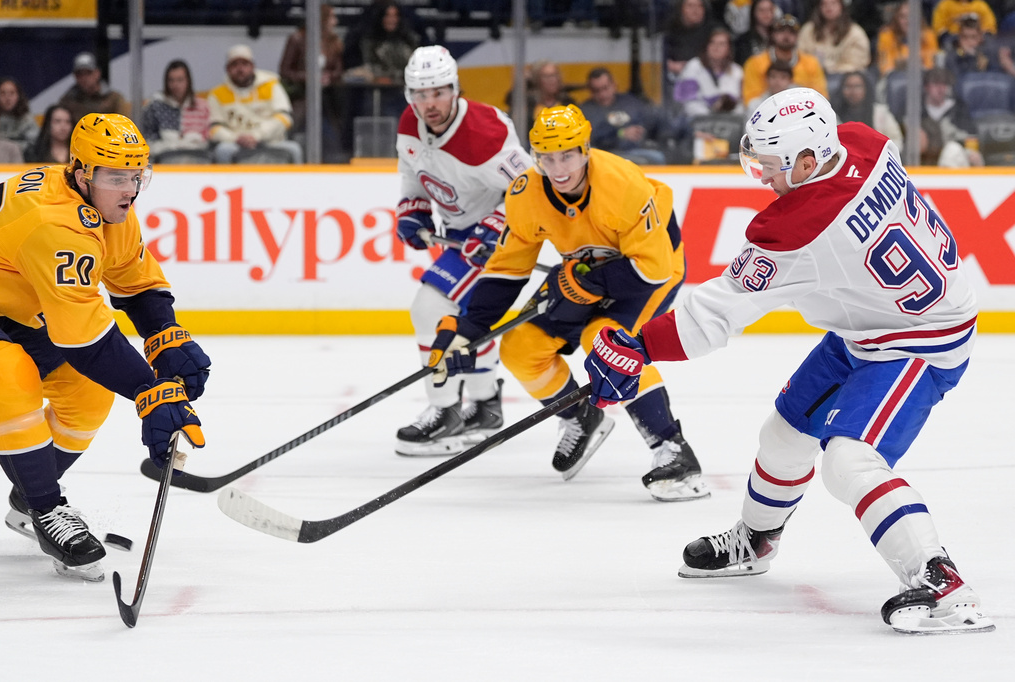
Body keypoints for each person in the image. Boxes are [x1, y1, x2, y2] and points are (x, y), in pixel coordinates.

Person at [585, 87, 994, 634]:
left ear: (808, 160)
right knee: (783, 436)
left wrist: (639, 349)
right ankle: (755, 540)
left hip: (919, 339)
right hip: (869, 324)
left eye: (772, 166)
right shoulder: (860, 142)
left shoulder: (799, 228)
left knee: (849, 461)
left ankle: (940, 582)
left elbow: (713, 316)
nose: (763, 178)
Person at [426, 104, 708, 502]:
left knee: (606, 342)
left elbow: (653, 269)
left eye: (567, 155)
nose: (558, 168)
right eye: (546, 157)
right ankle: (581, 416)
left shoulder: (622, 184)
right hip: (584, 272)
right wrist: (466, 329)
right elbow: (507, 269)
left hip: (649, 271)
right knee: (521, 348)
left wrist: (588, 283)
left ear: (586, 149)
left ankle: (675, 452)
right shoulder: (525, 193)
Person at [0, 113, 208, 581]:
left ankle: (29, 495)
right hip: (5, 316)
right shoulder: (53, 223)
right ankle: (46, 509)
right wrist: (152, 393)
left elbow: (133, 281)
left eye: (137, 176)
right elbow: (84, 338)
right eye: (116, 177)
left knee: (88, 394)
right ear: (81, 172)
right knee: (8, 373)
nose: (129, 189)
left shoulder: (106, 206)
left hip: (12, 311)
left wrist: (166, 338)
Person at [392, 46, 532, 456]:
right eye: (419, 94)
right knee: (467, 321)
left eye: (437, 92)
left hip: (504, 236)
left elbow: (530, 190)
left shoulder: (485, 133)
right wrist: (413, 209)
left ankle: (445, 410)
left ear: (454, 89)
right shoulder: (409, 123)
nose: (428, 104)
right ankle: (486, 405)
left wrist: (495, 225)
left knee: (428, 310)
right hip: (460, 234)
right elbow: (412, 171)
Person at [208, 45, 303, 164]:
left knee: (295, 149)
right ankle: (227, 182)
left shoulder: (271, 85)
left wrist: (258, 135)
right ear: (227, 69)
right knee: (222, 151)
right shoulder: (217, 94)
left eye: (244, 64)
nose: (240, 69)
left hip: (271, 142)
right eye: (235, 65)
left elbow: (285, 118)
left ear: (253, 66)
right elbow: (213, 128)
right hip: (235, 143)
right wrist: (235, 138)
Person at [279, 4, 347, 162]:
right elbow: (285, 71)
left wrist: (329, 76)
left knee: (330, 138)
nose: (335, 22)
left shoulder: (334, 41)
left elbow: (339, 69)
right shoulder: (297, 38)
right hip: (302, 98)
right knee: (302, 136)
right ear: (322, 19)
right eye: (332, 17)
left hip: (328, 100)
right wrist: (309, 78)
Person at [579, 66, 673, 165]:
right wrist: (620, 133)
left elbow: (650, 122)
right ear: (590, 90)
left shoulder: (630, 103)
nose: (602, 94)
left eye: (605, 88)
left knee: (658, 157)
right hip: (604, 154)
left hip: (634, 150)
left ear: (614, 85)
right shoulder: (585, 111)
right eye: (596, 90)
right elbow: (591, 141)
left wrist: (642, 130)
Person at [742, 15, 828, 104]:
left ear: (797, 36)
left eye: (792, 32)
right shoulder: (755, 63)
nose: (786, 36)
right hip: (766, 110)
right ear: (773, 34)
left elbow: (821, 96)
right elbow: (750, 99)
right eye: (781, 31)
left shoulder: (811, 63)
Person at [142, 59, 212, 160]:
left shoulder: (202, 106)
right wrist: (171, 146)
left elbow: (208, 139)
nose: (175, 85)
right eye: (171, 80)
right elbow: (148, 141)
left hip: (197, 158)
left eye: (180, 80)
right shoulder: (155, 106)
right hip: (166, 159)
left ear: (188, 81)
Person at [674, 27, 745, 118]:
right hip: (699, 120)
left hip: (730, 121)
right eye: (712, 42)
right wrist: (710, 116)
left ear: (729, 49)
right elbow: (686, 102)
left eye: (721, 44)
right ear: (706, 46)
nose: (716, 47)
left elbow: (741, 102)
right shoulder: (693, 67)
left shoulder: (737, 71)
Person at [831, 71, 904, 152]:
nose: (853, 91)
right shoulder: (833, 116)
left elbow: (896, 141)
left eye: (857, 86)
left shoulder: (880, 113)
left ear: (866, 89)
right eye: (848, 87)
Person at [796, 0, 871, 74]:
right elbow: (799, 55)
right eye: (824, 4)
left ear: (842, 6)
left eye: (833, 3)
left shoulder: (855, 33)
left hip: (844, 78)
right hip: (812, 76)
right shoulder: (808, 30)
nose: (828, 7)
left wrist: (832, 70)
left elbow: (857, 65)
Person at [58, 52, 132, 122]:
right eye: (79, 74)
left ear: (97, 73)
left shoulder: (114, 99)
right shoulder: (67, 101)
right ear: (75, 76)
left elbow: (123, 125)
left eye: (88, 73)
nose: (84, 78)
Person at [876, 2, 939, 76]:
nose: (907, 21)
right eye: (903, 17)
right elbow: (885, 66)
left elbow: (931, 65)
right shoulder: (886, 36)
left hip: (923, 78)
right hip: (895, 79)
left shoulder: (928, 36)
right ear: (896, 19)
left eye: (911, 16)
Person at [0, 77, 39, 153]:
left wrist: (11, 148)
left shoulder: (27, 119)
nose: (8, 98)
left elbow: (35, 143)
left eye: (12, 93)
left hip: (23, 158)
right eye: (3, 93)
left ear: (18, 96)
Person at [734, 0, 782, 65]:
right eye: (762, 10)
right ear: (754, 13)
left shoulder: (780, 38)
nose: (766, 14)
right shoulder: (743, 41)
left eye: (769, 10)